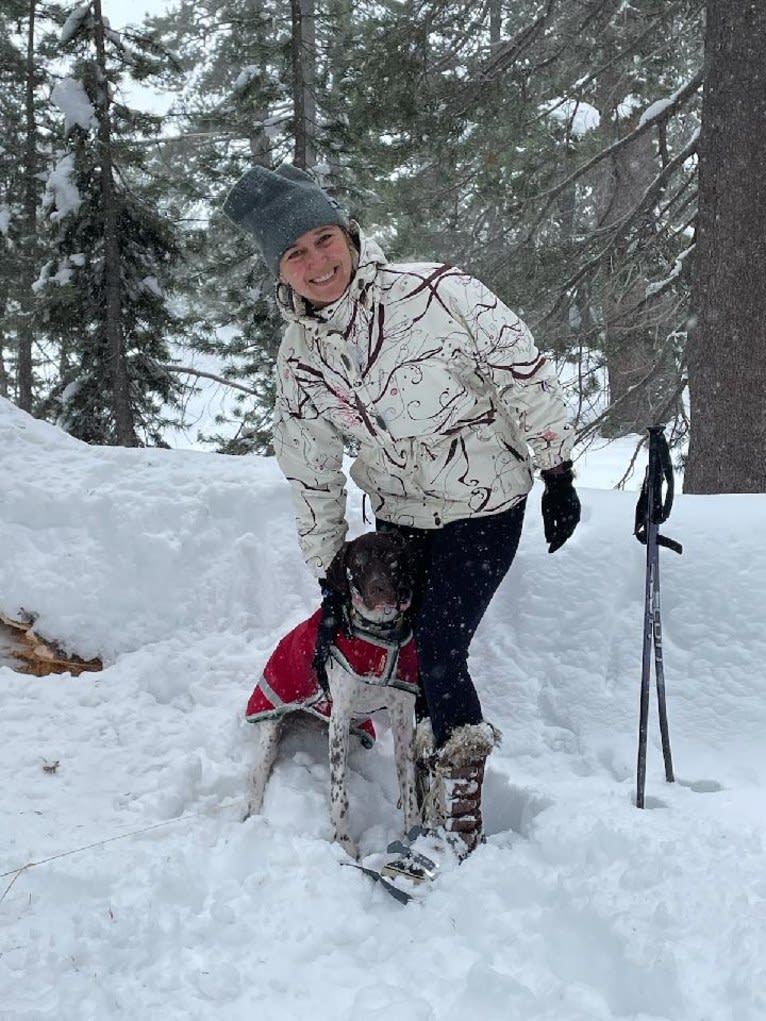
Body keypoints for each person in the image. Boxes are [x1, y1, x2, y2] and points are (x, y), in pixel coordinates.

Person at [222, 164, 580, 858]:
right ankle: (417, 775)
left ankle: (460, 812)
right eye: (294, 253)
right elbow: (309, 464)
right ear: (280, 272)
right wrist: (329, 562)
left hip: (484, 502)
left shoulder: (438, 293)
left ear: (347, 232)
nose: (317, 262)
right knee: (403, 652)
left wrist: (556, 468)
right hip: (401, 518)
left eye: (323, 239)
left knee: (440, 645)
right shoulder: (300, 363)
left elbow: (521, 371)